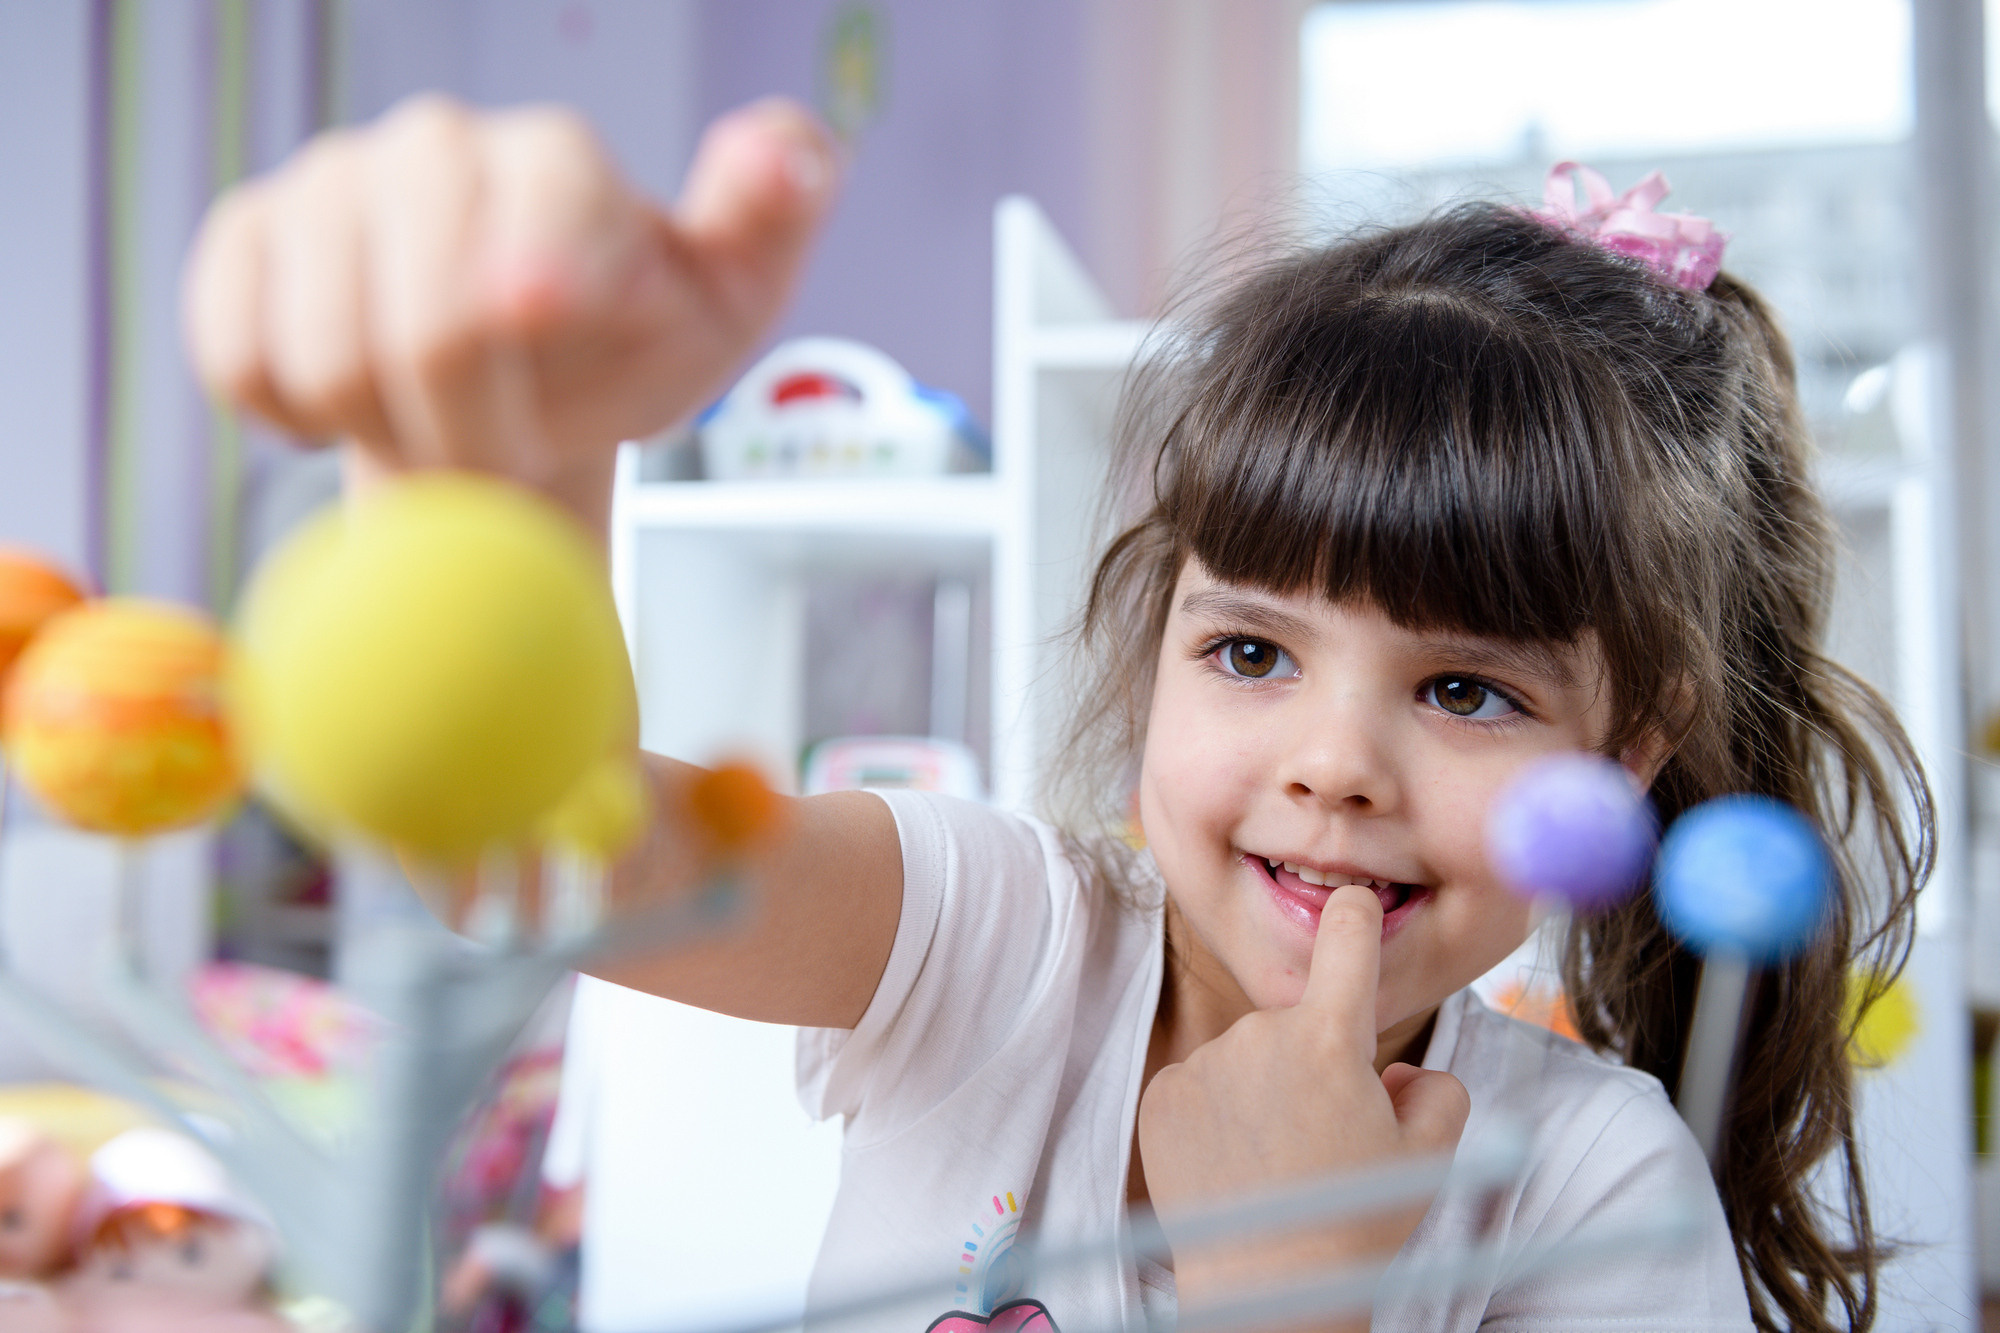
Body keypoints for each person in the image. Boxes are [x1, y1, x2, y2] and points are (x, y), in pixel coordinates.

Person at [183, 97, 1931, 1333]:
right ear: (1155, 638)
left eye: (1466, 688)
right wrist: (508, 452)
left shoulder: (1591, 1186)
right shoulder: (992, 936)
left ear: (1626, 757)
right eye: (1251, 651)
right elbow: (535, 864)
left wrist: (1288, 1294)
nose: (1331, 760)